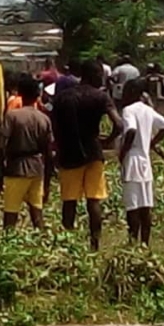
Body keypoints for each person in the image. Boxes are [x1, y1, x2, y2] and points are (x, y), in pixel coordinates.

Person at [52, 60, 123, 250]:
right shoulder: (101, 97)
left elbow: (54, 126)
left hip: (69, 153)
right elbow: (119, 125)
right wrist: (107, 141)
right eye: (100, 74)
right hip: (93, 152)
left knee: (69, 201)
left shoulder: (62, 97)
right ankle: (95, 244)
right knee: (94, 200)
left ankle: (68, 244)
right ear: (93, 75)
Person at [119, 78, 164, 246]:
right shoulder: (147, 110)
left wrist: (123, 152)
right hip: (145, 160)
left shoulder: (128, 110)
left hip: (132, 158)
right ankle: (145, 243)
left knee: (132, 205)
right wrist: (152, 143)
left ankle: (133, 241)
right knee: (145, 204)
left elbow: (131, 130)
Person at [1, 74, 52, 230]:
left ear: (20, 94)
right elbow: (48, 151)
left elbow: (1, 143)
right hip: (37, 168)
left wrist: (1, 167)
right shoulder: (43, 119)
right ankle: (41, 244)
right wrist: (48, 179)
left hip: (17, 168)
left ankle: (7, 245)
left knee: (11, 214)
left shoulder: (12, 116)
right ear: (37, 95)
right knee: (37, 212)